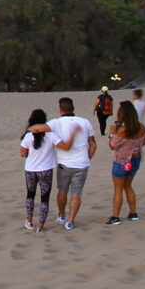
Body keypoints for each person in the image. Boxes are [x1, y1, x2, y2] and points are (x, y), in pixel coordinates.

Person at [47, 96, 95, 230]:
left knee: (62, 190)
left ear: (60, 109)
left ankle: (62, 214)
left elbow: (43, 130)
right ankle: (70, 221)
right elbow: (93, 145)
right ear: (73, 108)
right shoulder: (85, 122)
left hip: (64, 163)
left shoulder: (56, 122)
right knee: (76, 193)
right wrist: (87, 158)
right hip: (81, 163)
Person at [105, 101, 145, 225]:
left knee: (118, 189)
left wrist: (112, 133)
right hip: (135, 159)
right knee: (128, 186)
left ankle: (116, 216)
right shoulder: (141, 127)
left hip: (122, 160)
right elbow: (143, 142)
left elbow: (113, 145)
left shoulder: (123, 130)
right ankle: (133, 213)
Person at [19, 109, 56, 231]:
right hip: (45, 169)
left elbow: (23, 154)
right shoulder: (50, 135)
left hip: (30, 169)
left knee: (30, 195)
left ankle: (29, 220)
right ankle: (41, 224)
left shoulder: (28, 136)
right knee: (44, 197)